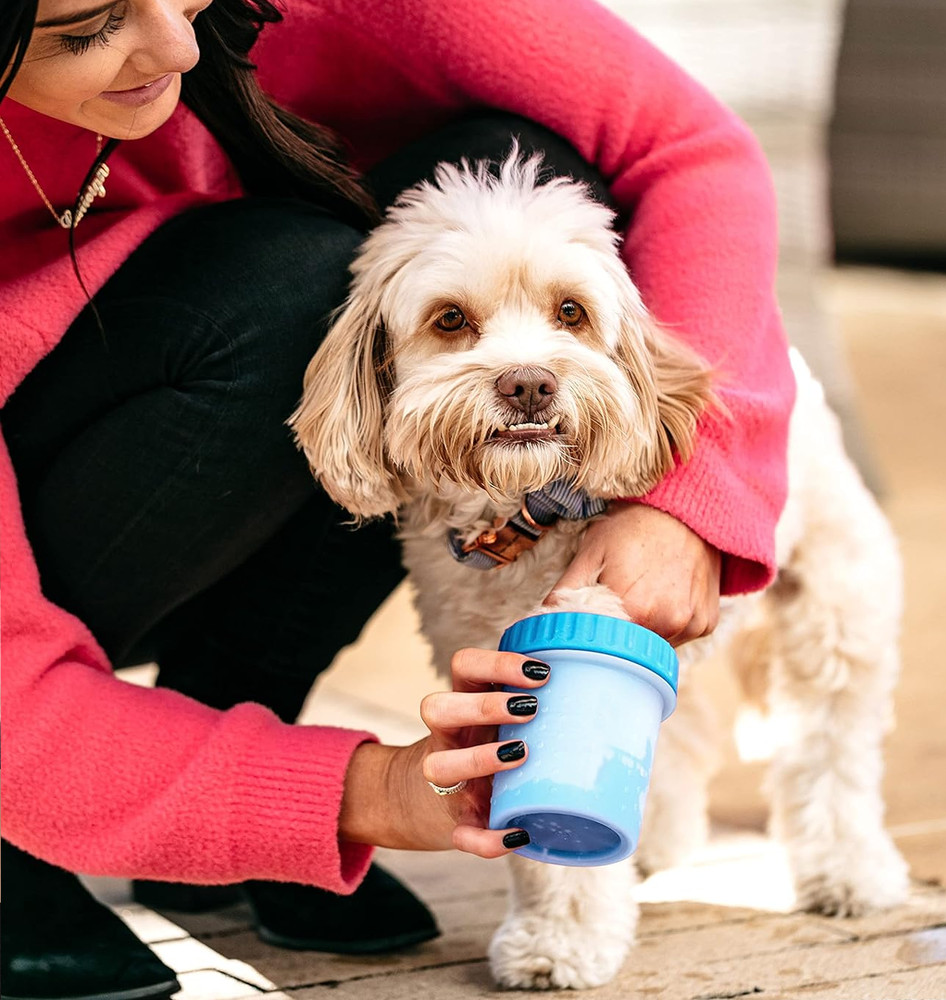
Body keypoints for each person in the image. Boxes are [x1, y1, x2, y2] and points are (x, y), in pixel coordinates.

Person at [0, 1, 795, 997]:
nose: (177, 44)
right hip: (49, 482)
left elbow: (690, 148)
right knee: (294, 291)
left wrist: (683, 492)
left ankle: (229, 720)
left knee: (518, 157)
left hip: (210, 353)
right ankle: (22, 840)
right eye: (87, 26)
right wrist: (360, 791)